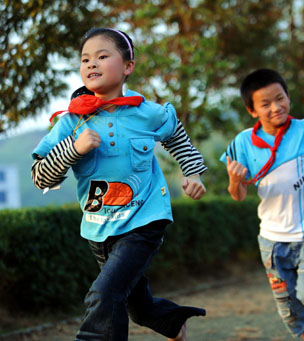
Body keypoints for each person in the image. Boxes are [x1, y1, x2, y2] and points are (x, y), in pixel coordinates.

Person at [31, 27, 208, 341]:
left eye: (102, 56)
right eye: (85, 59)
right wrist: (74, 148)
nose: (91, 64)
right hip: (98, 228)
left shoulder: (148, 112)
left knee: (103, 294)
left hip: (145, 219)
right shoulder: (71, 122)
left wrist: (192, 173)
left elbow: (178, 139)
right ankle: (171, 323)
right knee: (134, 305)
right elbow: (41, 176)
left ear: (128, 67)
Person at [221, 69, 304, 340]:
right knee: (292, 314)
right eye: (266, 104)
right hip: (272, 241)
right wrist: (235, 182)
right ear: (252, 110)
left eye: (280, 98)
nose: (276, 107)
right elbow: (237, 195)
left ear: (288, 97)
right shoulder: (242, 144)